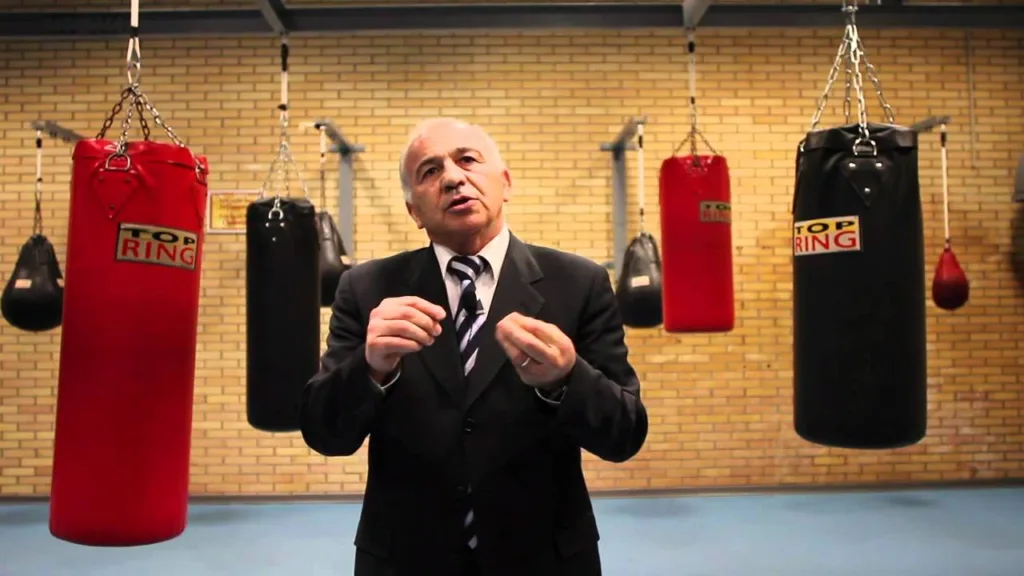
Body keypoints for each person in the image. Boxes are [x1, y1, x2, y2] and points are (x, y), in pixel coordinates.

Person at [300, 117, 649, 576]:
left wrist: (567, 380)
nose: (452, 178)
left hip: (544, 558)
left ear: (505, 183)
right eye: (429, 171)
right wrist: (370, 369)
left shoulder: (579, 283)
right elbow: (325, 435)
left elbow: (624, 435)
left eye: (467, 160)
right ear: (414, 211)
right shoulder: (366, 289)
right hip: (407, 559)